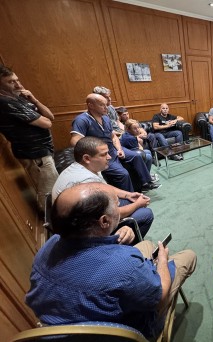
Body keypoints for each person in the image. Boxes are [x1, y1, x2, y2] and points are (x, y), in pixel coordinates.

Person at [26, 182, 196, 340]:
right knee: (188, 256)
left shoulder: (48, 246)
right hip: (126, 333)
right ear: (104, 221)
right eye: (116, 204)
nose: (119, 206)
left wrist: (114, 235)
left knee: (145, 244)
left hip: (64, 331)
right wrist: (163, 261)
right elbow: (160, 297)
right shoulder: (125, 265)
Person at [52, 136, 154, 236]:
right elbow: (109, 215)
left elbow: (103, 186)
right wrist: (138, 204)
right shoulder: (87, 181)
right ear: (87, 158)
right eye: (104, 154)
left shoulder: (87, 166)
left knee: (129, 200)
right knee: (146, 214)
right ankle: (118, 248)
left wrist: (128, 194)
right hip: (84, 231)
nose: (109, 157)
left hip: (93, 212)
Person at [71, 94, 159, 192]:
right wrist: (94, 153)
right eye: (102, 105)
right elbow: (75, 140)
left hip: (113, 149)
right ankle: (129, 198)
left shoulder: (106, 118)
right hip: (102, 154)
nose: (106, 107)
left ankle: (145, 183)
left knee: (137, 156)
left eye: (106, 104)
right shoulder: (81, 120)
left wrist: (119, 149)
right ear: (91, 105)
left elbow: (113, 136)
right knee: (124, 174)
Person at [0, 65, 58, 211]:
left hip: (43, 151)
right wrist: (44, 119)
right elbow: (46, 123)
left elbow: (50, 116)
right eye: (11, 82)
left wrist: (34, 100)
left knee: (53, 189)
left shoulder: (18, 98)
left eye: (17, 80)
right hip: (35, 155)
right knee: (49, 194)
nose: (18, 84)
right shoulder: (5, 103)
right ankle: (54, 227)